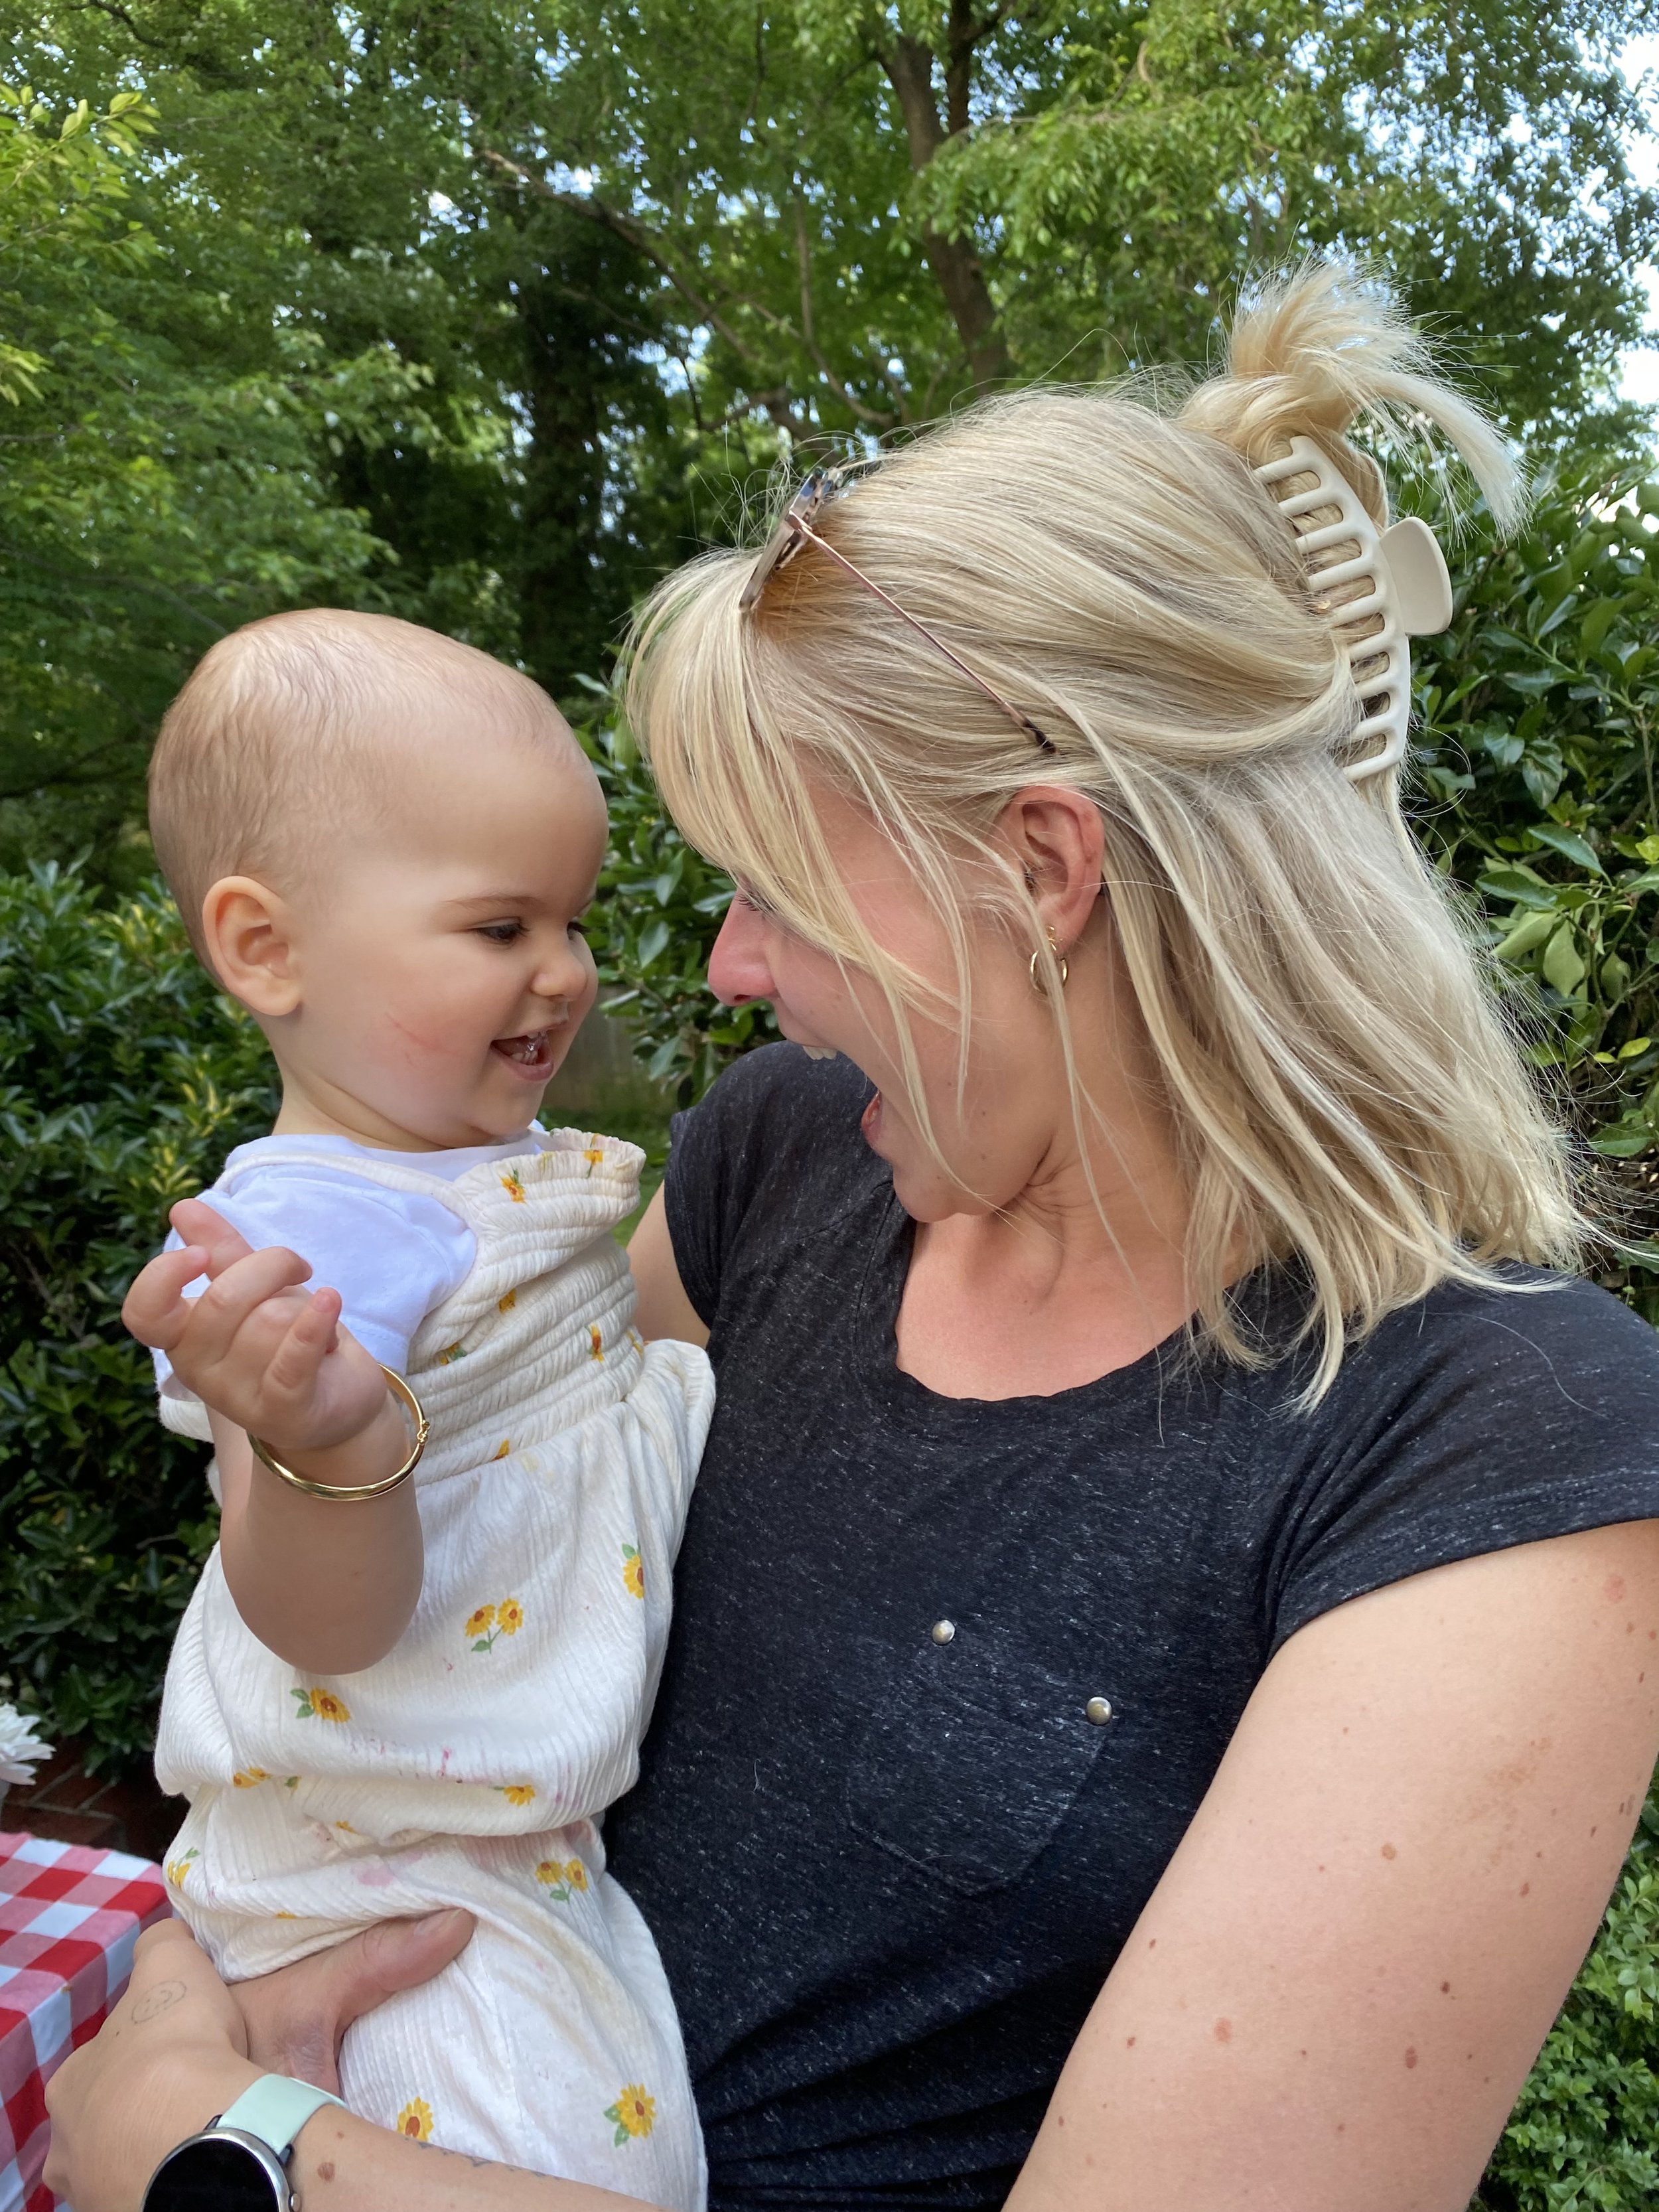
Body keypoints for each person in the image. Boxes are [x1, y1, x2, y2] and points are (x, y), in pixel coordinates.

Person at [48, 265, 1659, 2212]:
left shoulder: (1504, 1446)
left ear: (1042, 866)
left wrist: (244, 2153)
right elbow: (487, 1553)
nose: (726, 970)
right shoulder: (784, 1166)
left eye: (779, 887)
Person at [115, 611, 713, 2204]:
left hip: (493, 1841)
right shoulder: (323, 1248)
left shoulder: (447, 1178)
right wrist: (329, 1453)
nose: (567, 971)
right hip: (392, 1877)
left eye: (572, 920)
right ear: (265, 947)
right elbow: (317, 1621)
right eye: (499, 923)